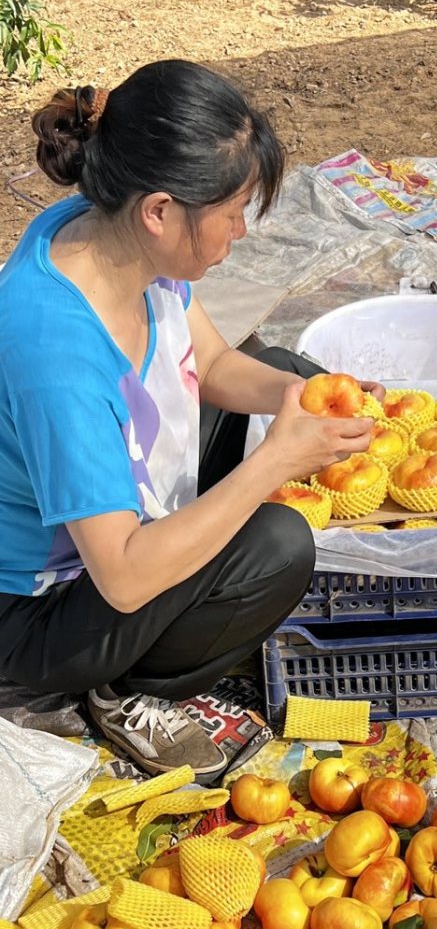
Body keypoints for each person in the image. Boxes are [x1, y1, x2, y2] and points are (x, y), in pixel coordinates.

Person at [0, 59, 383, 779]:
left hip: (106, 526)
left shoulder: (117, 235)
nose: (242, 230)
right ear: (161, 211)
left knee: (288, 373)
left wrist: (300, 399)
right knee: (276, 544)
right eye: (233, 212)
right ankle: (125, 692)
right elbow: (120, 576)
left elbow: (206, 364)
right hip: (38, 610)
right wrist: (274, 463)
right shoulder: (57, 351)